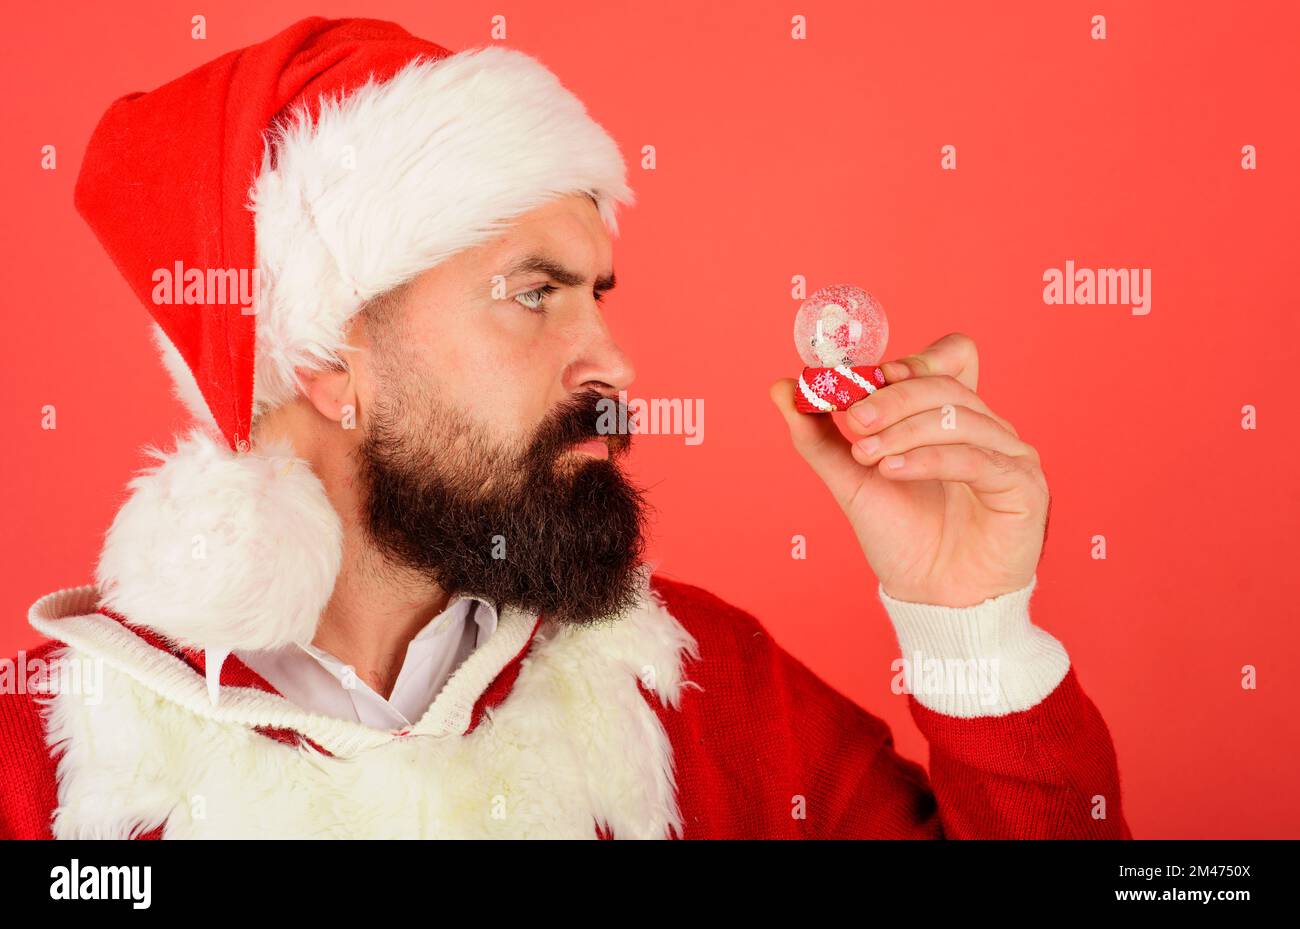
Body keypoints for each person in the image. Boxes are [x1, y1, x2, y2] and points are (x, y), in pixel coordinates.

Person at [0, 16, 1128, 839]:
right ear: (320, 358)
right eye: (534, 293)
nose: (613, 364)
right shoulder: (45, 761)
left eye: (599, 294)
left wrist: (968, 623)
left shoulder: (704, 688)